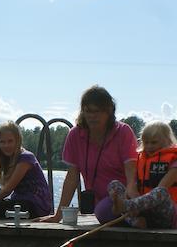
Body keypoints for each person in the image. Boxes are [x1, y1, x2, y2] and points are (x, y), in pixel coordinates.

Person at [37, 85, 139, 224]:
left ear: (109, 111)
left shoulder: (123, 132)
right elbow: (72, 177)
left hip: (122, 196)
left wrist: (132, 194)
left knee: (103, 211)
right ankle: (132, 219)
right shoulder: (75, 135)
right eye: (87, 111)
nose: (91, 116)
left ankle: (134, 215)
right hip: (98, 203)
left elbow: (131, 169)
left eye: (96, 111)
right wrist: (58, 215)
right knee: (102, 211)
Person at [107, 121, 177, 229]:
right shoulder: (140, 159)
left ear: (167, 141)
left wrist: (132, 205)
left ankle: (126, 207)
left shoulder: (175, 163)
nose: (149, 146)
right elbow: (133, 185)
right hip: (142, 211)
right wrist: (133, 195)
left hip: (164, 215)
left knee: (161, 191)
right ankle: (135, 220)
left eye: (154, 142)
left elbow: (162, 189)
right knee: (114, 185)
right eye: (146, 142)